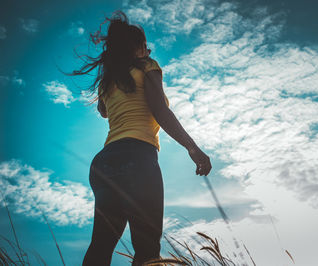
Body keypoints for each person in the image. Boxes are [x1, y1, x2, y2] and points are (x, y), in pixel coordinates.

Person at [63, 10, 212, 266]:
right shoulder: (148, 67)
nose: (149, 51)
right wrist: (192, 148)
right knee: (147, 248)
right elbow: (160, 110)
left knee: (101, 244)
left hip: (104, 163)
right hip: (138, 159)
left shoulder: (108, 81)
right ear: (137, 47)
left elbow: (103, 111)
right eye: (145, 46)